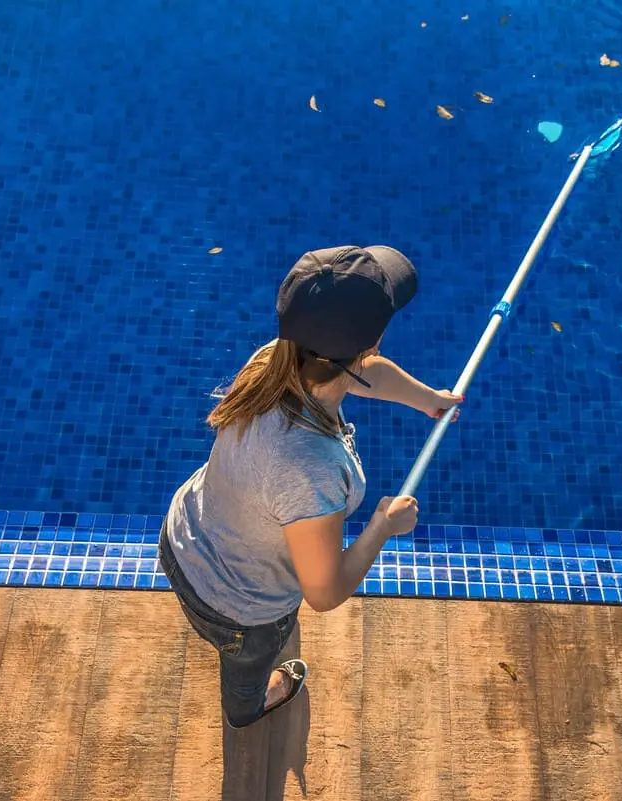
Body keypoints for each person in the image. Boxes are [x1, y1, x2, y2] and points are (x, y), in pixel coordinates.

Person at [158, 244, 462, 729]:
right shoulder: (310, 468)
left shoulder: (275, 362)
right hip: (236, 609)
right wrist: (383, 526)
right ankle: (247, 709)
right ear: (373, 340)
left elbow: (363, 372)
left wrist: (429, 401)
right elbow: (323, 593)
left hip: (184, 533)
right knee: (247, 669)